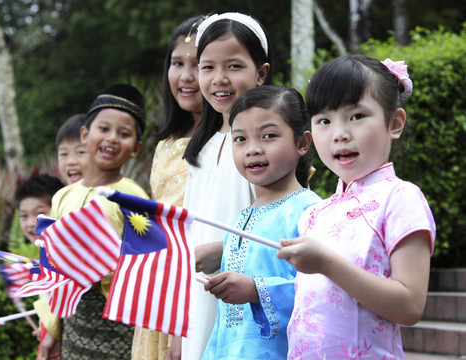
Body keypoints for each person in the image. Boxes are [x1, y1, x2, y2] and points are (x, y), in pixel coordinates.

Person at [276, 56, 436, 359]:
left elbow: (410, 305)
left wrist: (327, 263)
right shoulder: (313, 215)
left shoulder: (401, 197)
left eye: (357, 116)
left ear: (395, 123)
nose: (339, 133)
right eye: (324, 120)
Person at [202, 85, 321, 359]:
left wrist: (256, 290)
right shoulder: (238, 221)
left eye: (268, 136)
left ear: (302, 143)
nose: (253, 149)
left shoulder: (310, 211)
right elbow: (225, 322)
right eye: (240, 139)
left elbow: (320, 295)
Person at [181, 12, 274, 360]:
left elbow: (281, 222)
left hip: (245, 294)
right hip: (197, 295)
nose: (219, 79)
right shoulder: (202, 149)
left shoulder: (266, 147)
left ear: (261, 73)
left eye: (234, 66)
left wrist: (224, 248)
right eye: (208, 67)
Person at [49, 84, 150, 359]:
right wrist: (51, 332)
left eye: (124, 134)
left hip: (118, 320)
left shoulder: (134, 197)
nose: (112, 138)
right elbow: (50, 268)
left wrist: (101, 268)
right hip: (73, 319)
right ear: (85, 134)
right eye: (103, 129)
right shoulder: (62, 196)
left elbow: (147, 265)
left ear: (135, 149)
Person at [131, 15, 204, 360]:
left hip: (199, 288)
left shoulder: (231, 142)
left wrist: (185, 320)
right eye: (177, 63)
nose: (186, 77)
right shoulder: (166, 143)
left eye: (199, 65)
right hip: (159, 291)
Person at [14, 173, 64, 360]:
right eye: (24, 216)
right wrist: (46, 327)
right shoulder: (44, 255)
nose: (30, 223)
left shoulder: (62, 257)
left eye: (39, 213)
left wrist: (52, 332)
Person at [55, 114, 88, 184]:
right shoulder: (61, 194)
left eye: (80, 152)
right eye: (64, 154)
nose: (71, 162)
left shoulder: (109, 193)